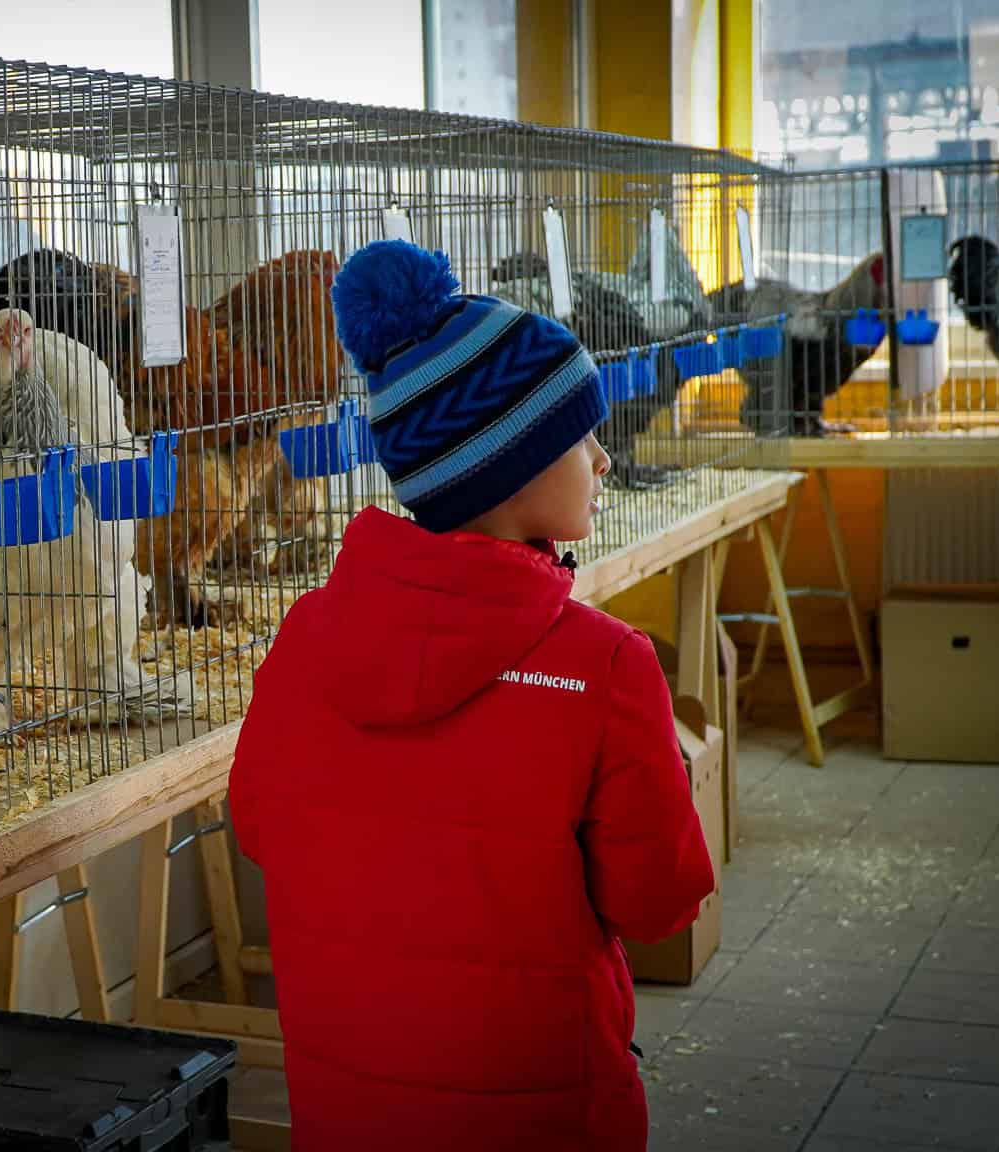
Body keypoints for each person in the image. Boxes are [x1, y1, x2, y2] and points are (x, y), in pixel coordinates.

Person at [227, 239, 715, 1151]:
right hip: (544, 1110)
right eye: (583, 435)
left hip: (349, 1112)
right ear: (514, 463)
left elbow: (259, 824)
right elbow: (660, 903)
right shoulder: (604, 666)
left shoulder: (303, 640)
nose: (605, 461)